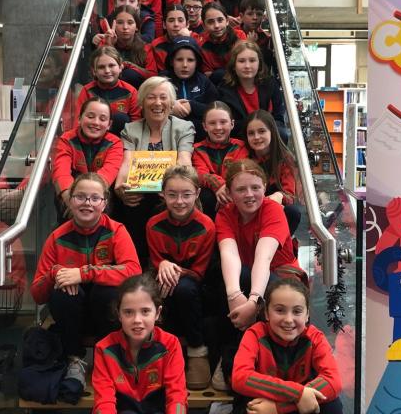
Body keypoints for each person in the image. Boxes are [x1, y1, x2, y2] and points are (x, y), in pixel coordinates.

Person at [30, 173, 142, 387]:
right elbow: (37, 294)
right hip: (73, 318)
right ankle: (75, 359)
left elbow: (133, 272)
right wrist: (56, 273)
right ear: (70, 200)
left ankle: (109, 357)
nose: (87, 203)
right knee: (62, 291)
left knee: (107, 290)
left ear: (104, 203)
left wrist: (83, 273)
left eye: (94, 198)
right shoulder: (57, 237)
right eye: (80, 197)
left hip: (108, 314)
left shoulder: (117, 231)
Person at [213, 159, 306, 390]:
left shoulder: (273, 210)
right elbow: (229, 254)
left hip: (281, 276)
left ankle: (254, 367)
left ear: (265, 188)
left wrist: (254, 302)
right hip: (247, 276)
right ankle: (235, 366)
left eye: (255, 188)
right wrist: (235, 296)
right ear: (230, 192)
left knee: (269, 291)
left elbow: (263, 258)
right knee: (228, 278)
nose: (249, 195)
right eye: (241, 189)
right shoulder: (225, 214)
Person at [146, 165, 216, 390]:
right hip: (163, 281)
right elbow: (156, 262)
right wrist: (163, 265)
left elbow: (199, 272)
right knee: (150, 290)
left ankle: (197, 349)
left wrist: (172, 269)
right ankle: (159, 350)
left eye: (186, 195)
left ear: (197, 193)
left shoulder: (206, 225)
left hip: (194, 287)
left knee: (184, 288)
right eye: (172, 195)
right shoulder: (153, 224)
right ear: (162, 194)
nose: (179, 201)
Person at [115, 76, 196, 265]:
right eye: (151, 97)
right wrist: (121, 184)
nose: (157, 103)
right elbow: (127, 161)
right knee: (131, 201)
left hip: (171, 191)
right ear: (142, 102)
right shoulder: (130, 129)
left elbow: (184, 160)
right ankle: (138, 264)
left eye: (163, 97)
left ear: (171, 102)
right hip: (142, 193)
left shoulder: (184, 127)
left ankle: (170, 262)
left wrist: (176, 188)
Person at [232, 279, 343, 414]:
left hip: (286, 407)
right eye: (280, 310)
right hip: (263, 404)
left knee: (333, 405)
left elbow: (333, 381)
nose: (289, 319)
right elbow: (240, 377)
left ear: (307, 315)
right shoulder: (255, 334)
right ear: (266, 313)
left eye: (297, 311)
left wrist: (279, 408)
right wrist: (299, 393)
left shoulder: (315, 337)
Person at [92, 273, 187, 414]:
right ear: (119, 314)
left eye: (145, 311)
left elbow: (177, 396)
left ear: (157, 313)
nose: (137, 319)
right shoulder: (104, 349)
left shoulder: (170, 344)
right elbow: (104, 401)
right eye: (128, 312)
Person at [52, 97, 124, 220]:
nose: (96, 122)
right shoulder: (66, 139)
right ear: (79, 119)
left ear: (109, 125)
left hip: (99, 197)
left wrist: (90, 201)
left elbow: (108, 173)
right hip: (71, 196)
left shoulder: (114, 143)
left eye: (102, 119)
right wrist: (74, 201)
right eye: (90, 117)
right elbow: (61, 172)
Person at [245, 109, 300, 234]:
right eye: (251, 133)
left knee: (292, 212)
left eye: (262, 131)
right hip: (248, 209)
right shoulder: (243, 156)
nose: (256, 137)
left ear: (272, 132)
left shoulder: (286, 159)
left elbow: (290, 195)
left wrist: (279, 196)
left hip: (274, 211)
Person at [218, 41, 286, 141]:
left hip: (267, 137)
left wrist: (262, 130)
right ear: (233, 65)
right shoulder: (224, 90)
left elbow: (279, 118)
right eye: (241, 61)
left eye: (252, 60)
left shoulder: (270, 84)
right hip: (239, 137)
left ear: (259, 63)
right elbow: (227, 124)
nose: (247, 66)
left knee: (282, 133)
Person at [192, 101, 248, 219]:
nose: (218, 127)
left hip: (234, 197)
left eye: (223, 122)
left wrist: (224, 189)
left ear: (232, 124)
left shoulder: (241, 146)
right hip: (210, 203)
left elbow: (240, 172)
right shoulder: (197, 149)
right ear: (204, 126)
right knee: (205, 195)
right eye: (212, 123)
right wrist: (218, 185)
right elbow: (200, 173)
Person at [75, 46, 143, 135]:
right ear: (94, 71)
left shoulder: (130, 91)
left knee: (121, 118)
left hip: (124, 140)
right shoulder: (87, 90)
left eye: (111, 65)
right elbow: (79, 120)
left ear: (120, 67)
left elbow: (136, 123)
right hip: (93, 137)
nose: (107, 71)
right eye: (101, 67)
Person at [164, 35, 218, 142]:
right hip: (168, 135)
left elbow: (217, 109)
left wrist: (192, 106)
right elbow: (147, 108)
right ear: (171, 61)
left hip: (199, 137)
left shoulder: (203, 82)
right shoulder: (161, 81)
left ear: (197, 62)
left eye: (190, 60)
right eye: (179, 59)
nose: (185, 65)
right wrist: (169, 108)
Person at [95, 6, 156, 87]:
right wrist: (110, 46)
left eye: (130, 22)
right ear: (114, 25)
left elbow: (152, 75)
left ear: (137, 27)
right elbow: (98, 72)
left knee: (129, 74)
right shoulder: (106, 42)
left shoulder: (145, 47)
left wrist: (130, 65)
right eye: (120, 22)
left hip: (139, 92)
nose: (125, 27)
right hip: (108, 90)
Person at [197, 1, 246, 84]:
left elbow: (244, 66)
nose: (216, 26)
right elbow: (208, 75)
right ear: (204, 26)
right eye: (210, 22)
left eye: (220, 20)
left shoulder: (239, 36)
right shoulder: (201, 44)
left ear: (227, 21)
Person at [149, 4, 192, 73]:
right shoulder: (156, 44)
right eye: (171, 20)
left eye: (180, 20)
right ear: (164, 25)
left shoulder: (197, 40)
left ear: (187, 24)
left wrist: (187, 40)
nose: (176, 24)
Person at [238, 0, 273, 69]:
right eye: (250, 14)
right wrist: (249, 44)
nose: (255, 18)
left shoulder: (265, 37)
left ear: (263, 17)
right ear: (241, 16)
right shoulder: (233, 34)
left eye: (259, 14)